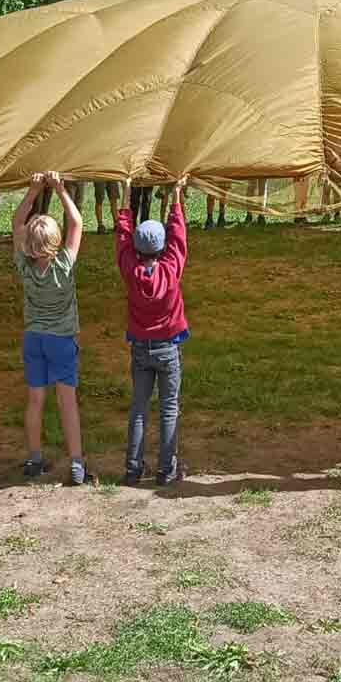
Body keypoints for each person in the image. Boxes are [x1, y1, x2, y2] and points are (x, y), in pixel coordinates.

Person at [13, 172, 86, 485]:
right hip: (61, 339)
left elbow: (17, 222)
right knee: (66, 401)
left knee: (35, 400)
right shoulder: (64, 264)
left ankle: (34, 458)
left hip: (34, 338)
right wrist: (59, 189)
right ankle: (76, 463)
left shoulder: (24, 265)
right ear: (57, 243)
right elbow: (77, 223)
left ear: (28, 243)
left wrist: (33, 191)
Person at [116, 182, 189, 486]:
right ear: (163, 248)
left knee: (139, 408)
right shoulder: (172, 268)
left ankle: (133, 469)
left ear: (135, 247)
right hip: (168, 349)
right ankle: (166, 470)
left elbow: (121, 237)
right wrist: (176, 199)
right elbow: (179, 238)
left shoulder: (129, 268)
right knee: (169, 407)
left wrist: (126, 195)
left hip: (140, 350)